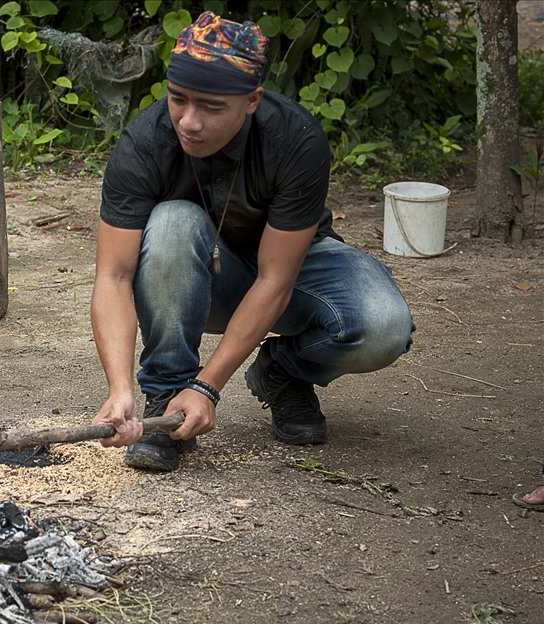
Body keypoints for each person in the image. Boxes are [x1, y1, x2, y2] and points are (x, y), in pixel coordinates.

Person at [90, 11, 415, 471]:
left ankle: (283, 370)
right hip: (198, 279)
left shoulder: (295, 139)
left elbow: (275, 280)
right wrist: (119, 388)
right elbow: (113, 275)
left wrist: (209, 387)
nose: (189, 122)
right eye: (178, 99)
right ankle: (167, 400)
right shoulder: (146, 141)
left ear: (252, 100)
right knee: (173, 223)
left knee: (383, 326)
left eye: (211, 107)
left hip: (286, 275)